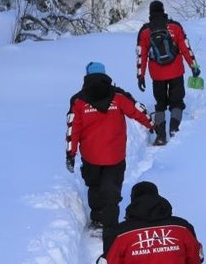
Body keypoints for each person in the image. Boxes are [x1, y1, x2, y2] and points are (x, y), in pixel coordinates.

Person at [65, 62, 154, 231]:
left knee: (95, 186)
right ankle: (111, 225)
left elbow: (72, 128)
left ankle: (98, 219)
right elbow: (137, 111)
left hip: (91, 156)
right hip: (115, 155)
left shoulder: (78, 101)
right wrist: (151, 124)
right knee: (112, 191)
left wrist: (70, 153)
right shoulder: (118, 96)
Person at [136, 0, 201, 146]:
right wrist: (194, 66)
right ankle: (174, 129)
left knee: (160, 104)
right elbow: (186, 49)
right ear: (163, 10)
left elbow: (141, 55)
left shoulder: (145, 32)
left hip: (157, 75)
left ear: (150, 13)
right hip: (176, 71)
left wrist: (141, 76)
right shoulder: (175, 27)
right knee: (176, 102)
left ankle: (160, 136)